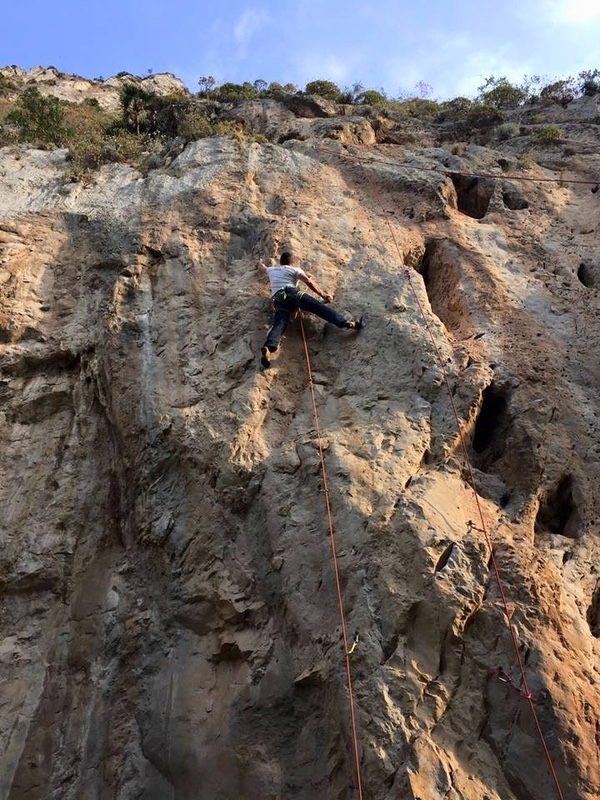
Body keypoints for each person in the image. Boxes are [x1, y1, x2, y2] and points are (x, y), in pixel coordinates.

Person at [258, 252, 363, 368]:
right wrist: (323, 295)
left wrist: (260, 262)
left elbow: (261, 268)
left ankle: (269, 347)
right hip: (293, 293)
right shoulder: (295, 270)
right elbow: (309, 282)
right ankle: (343, 322)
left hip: (278, 299)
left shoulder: (272, 270)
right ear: (292, 262)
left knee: (279, 324)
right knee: (318, 307)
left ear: (281, 262)